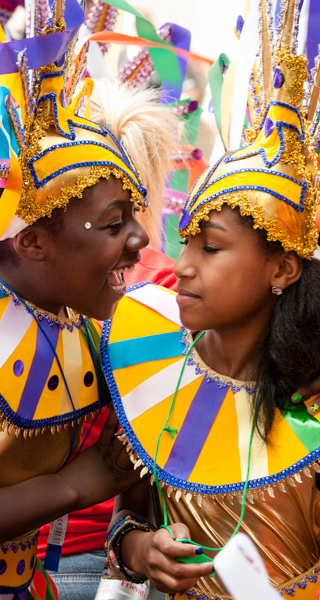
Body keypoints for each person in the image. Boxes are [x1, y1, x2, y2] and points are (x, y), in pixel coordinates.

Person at [99, 2, 320, 599]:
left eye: (210, 248)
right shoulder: (143, 349)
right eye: (185, 240)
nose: (181, 266)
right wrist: (141, 551)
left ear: (283, 269)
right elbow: (127, 517)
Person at [0, 0, 151, 596]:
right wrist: (77, 486)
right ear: (33, 242)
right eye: (114, 223)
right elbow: (95, 476)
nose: (141, 239)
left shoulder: (95, 332)